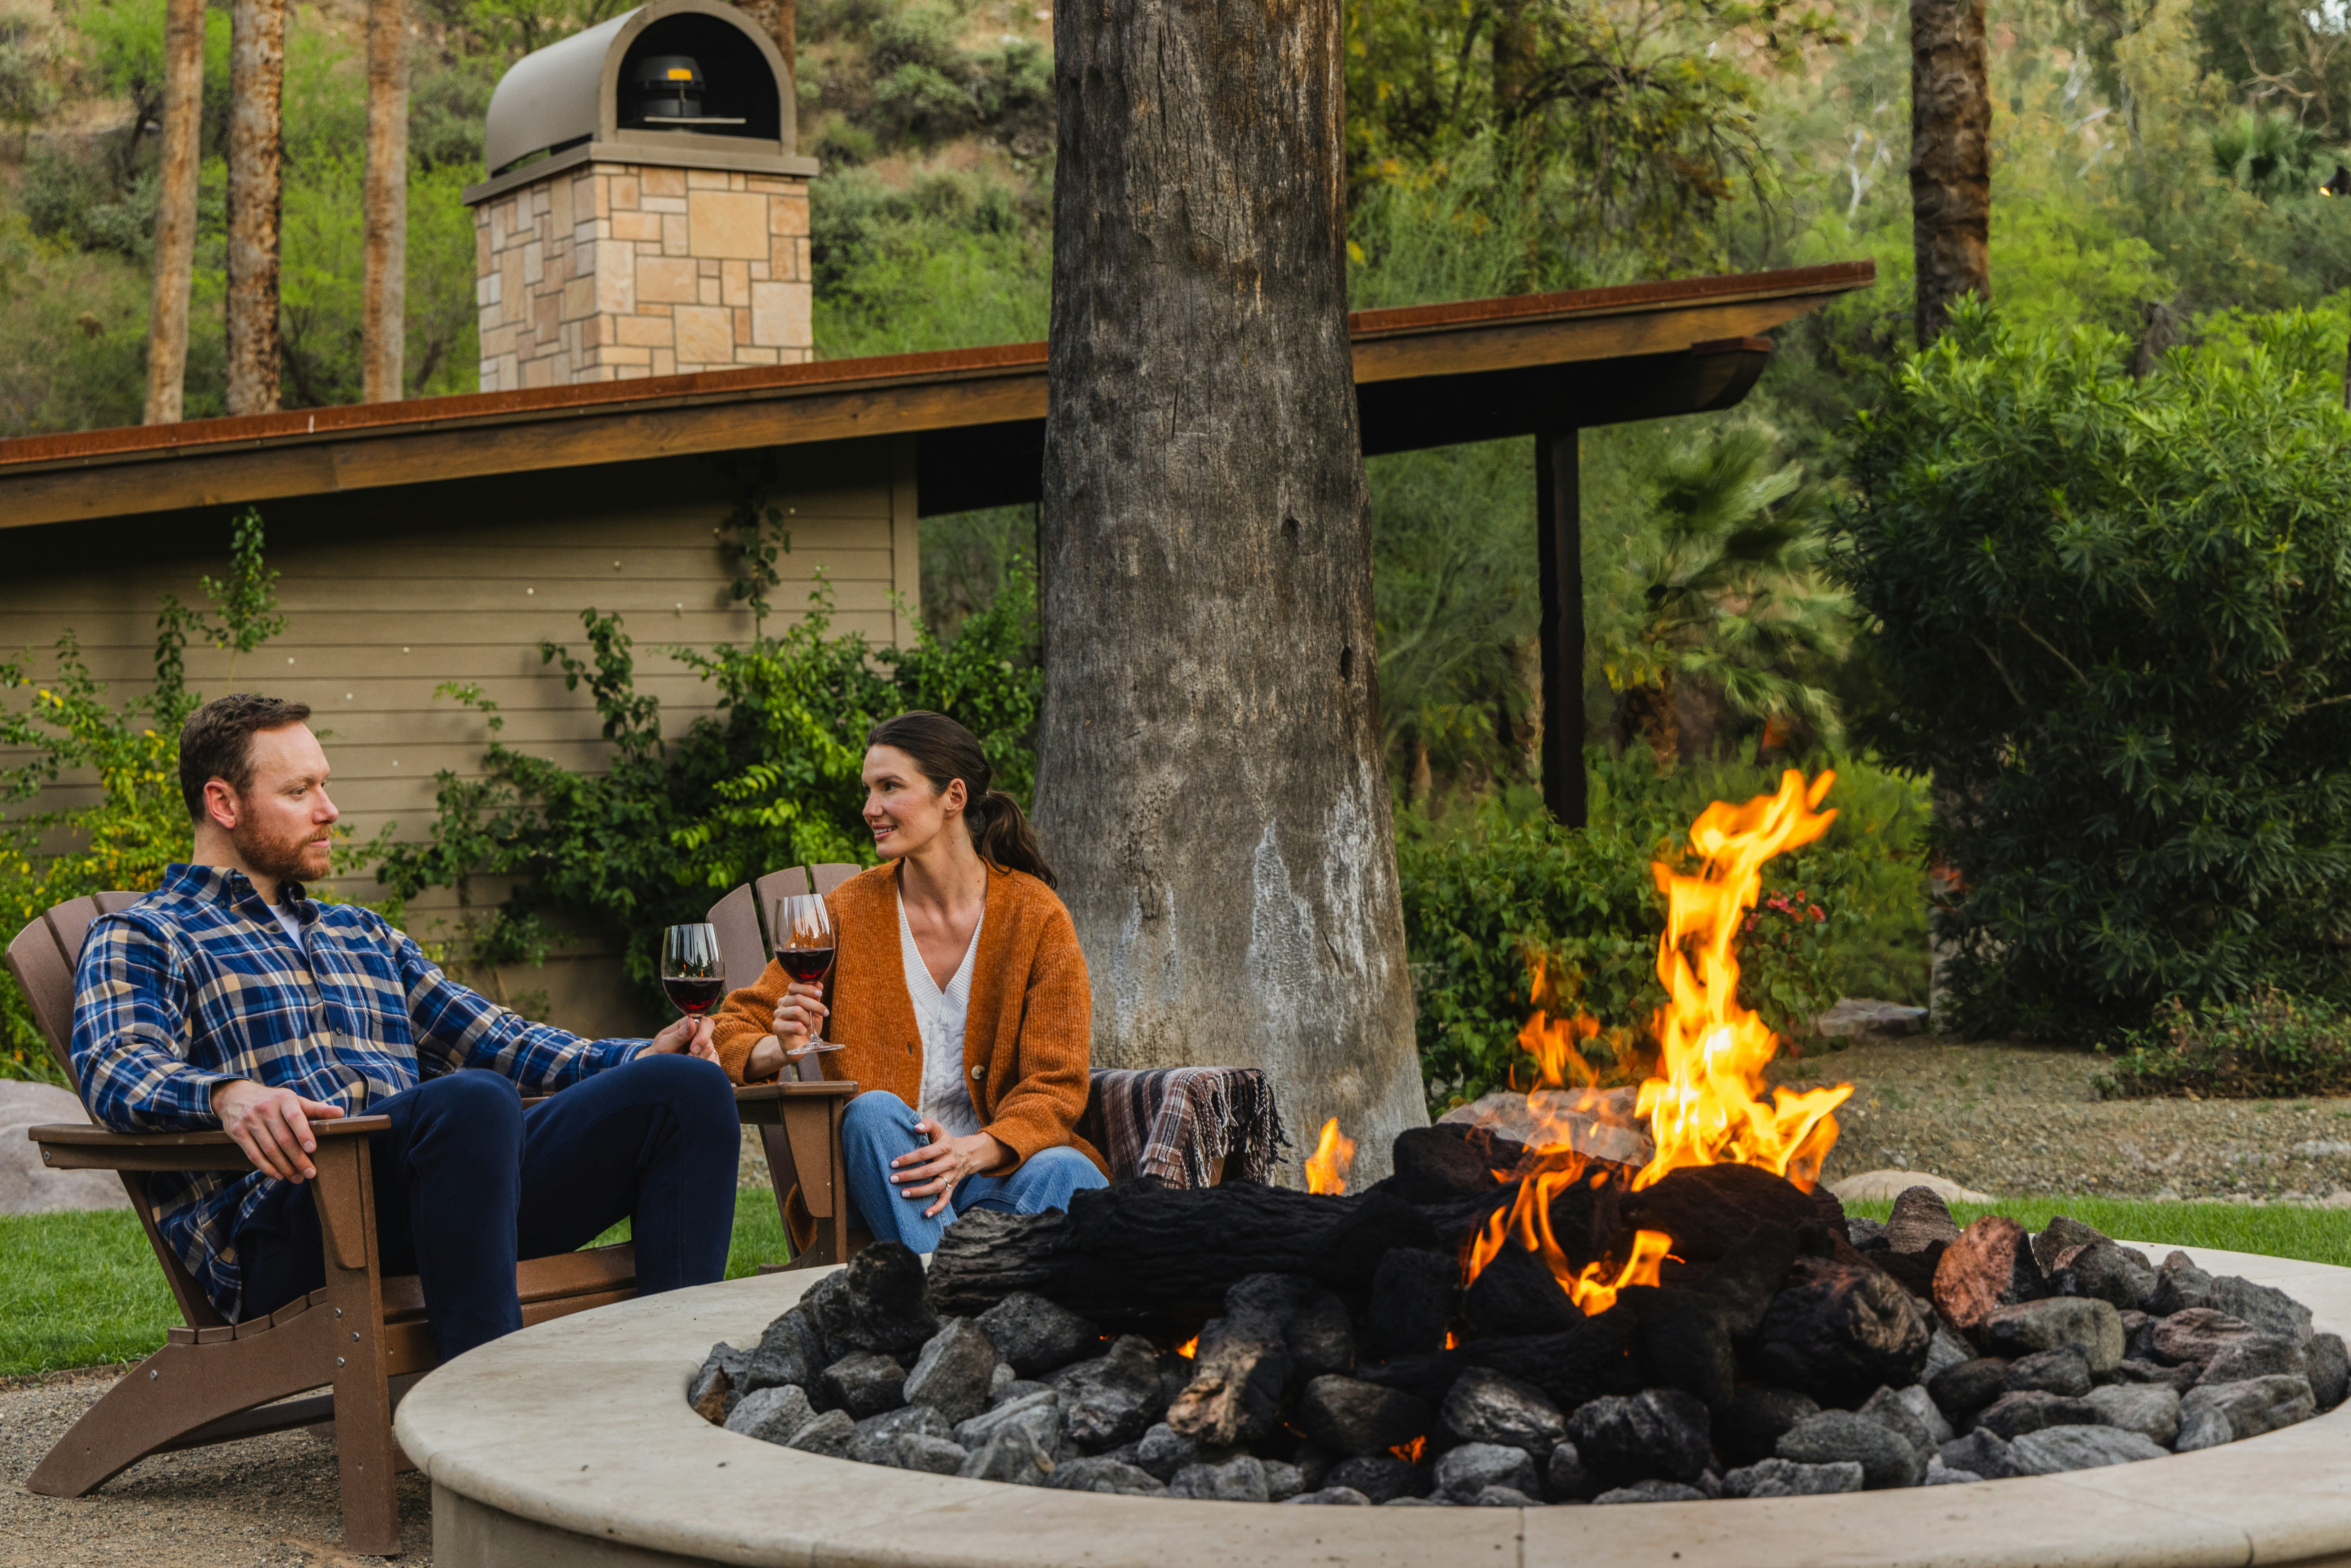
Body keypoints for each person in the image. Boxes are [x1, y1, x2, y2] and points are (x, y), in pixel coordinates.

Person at [69, 693, 739, 1361]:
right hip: (291, 1224)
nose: (328, 809)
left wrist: (642, 1055)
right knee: (471, 1100)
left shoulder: (360, 934)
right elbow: (113, 1062)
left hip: (442, 1199)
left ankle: (682, 1375)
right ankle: (483, 1410)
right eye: (300, 791)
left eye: (324, 786)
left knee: (683, 1088)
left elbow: (497, 1040)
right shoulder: (148, 933)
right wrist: (224, 1095)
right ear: (223, 802)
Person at [712, 711, 1107, 1251]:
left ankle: (943, 1295)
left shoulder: (1036, 917)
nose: (870, 808)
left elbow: (1056, 1085)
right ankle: (953, 1294)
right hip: (878, 1179)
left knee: (1068, 1170)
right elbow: (730, 1027)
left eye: (890, 787)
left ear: (954, 796)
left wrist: (974, 1150)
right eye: (869, 790)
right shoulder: (844, 912)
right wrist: (777, 1048)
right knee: (872, 1111)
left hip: (990, 1177)